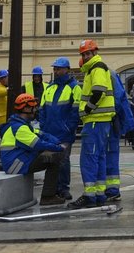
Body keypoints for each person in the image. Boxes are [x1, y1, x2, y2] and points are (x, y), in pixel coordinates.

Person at [68, 39, 116, 209]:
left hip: (95, 120)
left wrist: (87, 109)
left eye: (88, 53)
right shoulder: (95, 68)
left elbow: (98, 91)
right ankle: (99, 194)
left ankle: (90, 195)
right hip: (100, 121)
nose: (85, 56)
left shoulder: (96, 68)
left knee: (89, 158)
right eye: (83, 54)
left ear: (94, 52)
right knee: (99, 157)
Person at [0, 93, 66, 206]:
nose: (35, 110)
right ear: (25, 108)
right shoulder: (19, 128)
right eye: (33, 107)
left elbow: (42, 134)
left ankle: (51, 193)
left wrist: (57, 141)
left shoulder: (21, 125)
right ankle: (48, 197)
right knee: (53, 159)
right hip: (16, 165)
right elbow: (38, 144)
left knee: (49, 154)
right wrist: (59, 148)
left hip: (19, 160)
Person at [39, 57, 81, 202]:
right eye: (55, 69)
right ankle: (54, 189)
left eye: (59, 69)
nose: (56, 71)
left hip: (64, 133)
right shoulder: (49, 88)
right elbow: (42, 109)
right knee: (51, 161)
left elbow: (75, 111)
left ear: (67, 70)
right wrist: (43, 127)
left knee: (63, 161)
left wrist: (69, 128)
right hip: (50, 132)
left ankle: (63, 188)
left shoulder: (75, 87)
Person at [105, 69, 134, 203]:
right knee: (106, 156)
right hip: (108, 121)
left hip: (108, 122)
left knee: (108, 155)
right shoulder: (107, 73)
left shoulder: (105, 73)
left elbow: (117, 98)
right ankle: (110, 190)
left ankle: (111, 190)